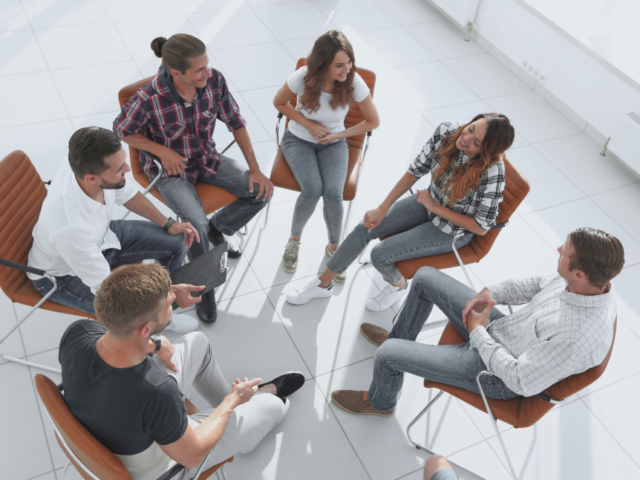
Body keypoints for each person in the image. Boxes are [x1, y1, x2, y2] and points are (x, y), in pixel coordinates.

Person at [330, 227, 624, 416]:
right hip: (500, 331)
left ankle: (381, 402)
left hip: (495, 374)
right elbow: (536, 284)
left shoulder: (576, 338)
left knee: (386, 356)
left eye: (565, 251)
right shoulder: (588, 285)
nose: (559, 249)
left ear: (580, 275)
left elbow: (519, 380)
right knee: (424, 276)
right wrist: (489, 293)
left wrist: (478, 331)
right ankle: (402, 340)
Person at [59, 263, 305, 480]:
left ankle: (239, 415)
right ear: (146, 329)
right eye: (169, 304)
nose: (174, 304)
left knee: (197, 342)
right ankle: (245, 431)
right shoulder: (157, 392)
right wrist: (231, 402)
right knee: (273, 405)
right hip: (163, 468)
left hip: (119, 425)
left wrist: (155, 343)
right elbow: (192, 456)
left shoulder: (78, 331)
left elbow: (123, 345)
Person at [113, 33, 273, 324]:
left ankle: (219, 227)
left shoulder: (214, 82)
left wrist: (256, 169)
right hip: (170, 172)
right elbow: (122, 130)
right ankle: (204, 285)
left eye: (207, 65)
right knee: (195, 223)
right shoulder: (148, 98)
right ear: (176, 72)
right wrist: (161, 151)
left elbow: (236, 122)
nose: (207, 73)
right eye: (199, 69)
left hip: (206, 158)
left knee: (261, 190)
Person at [286, 114, 513, 311]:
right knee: (366, 225)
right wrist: (382, 208)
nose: (466, 138)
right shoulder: (447, 131)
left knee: (380, 255)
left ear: (487, 152)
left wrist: (435, 208)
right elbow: (415, 171)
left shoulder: (493, 171)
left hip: (450, 230)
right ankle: (323, 283)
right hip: (428, 203)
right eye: (470, 129)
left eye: (476, 142)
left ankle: (399, 285)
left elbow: (481, 227)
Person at [28, 127, 200, 334]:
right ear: (91, 178)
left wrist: (167, 223)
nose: (128, 169)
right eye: (119, 169)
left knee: (178, 240)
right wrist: (166, 293)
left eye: (124, 161)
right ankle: (157, 318)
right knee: (126, 313)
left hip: (101, 239)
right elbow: (108, 289)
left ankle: (161, 310)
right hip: (64, 277)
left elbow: (127, 194)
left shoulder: (82, 162)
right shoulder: (71, 228)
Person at [273, 30, 379, 276]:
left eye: (350, 62)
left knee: (333, 192)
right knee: (312, 189)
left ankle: (335, 249)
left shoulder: (353, 81)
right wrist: (308, 124)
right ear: (322, 64)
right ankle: (294, 241)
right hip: (298, 140)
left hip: (334, 142)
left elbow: (373, 121)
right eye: (339, 65)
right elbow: (278, 102)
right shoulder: (303, 76)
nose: (347, 69)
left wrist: (336, 136)